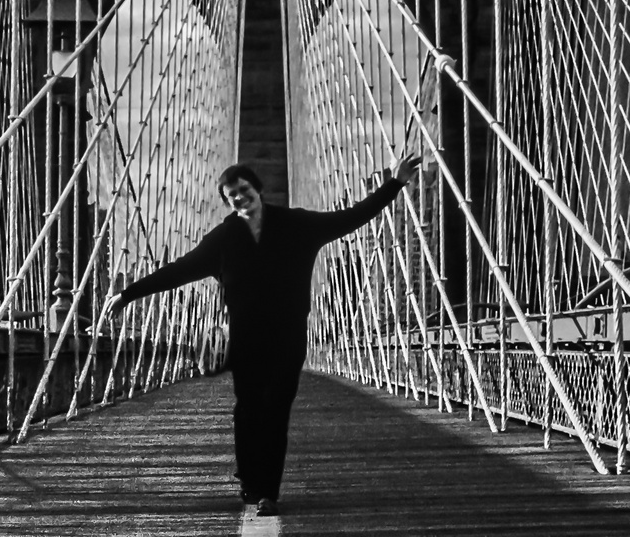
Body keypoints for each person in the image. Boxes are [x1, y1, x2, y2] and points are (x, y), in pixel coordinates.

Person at [108, 157, 415, 517]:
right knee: (249, 408)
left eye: (244, 190)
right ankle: (250, 480)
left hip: (288, 337)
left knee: (276, 408)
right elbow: (178, 271)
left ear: (258, 190)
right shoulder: (222, 240)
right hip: (246, 340)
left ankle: (267, 491)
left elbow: (350, 217)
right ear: (226, 202)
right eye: (231, 195)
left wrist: (394, 184)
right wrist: (128, 294)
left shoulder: (297, 225)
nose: (240, 197)